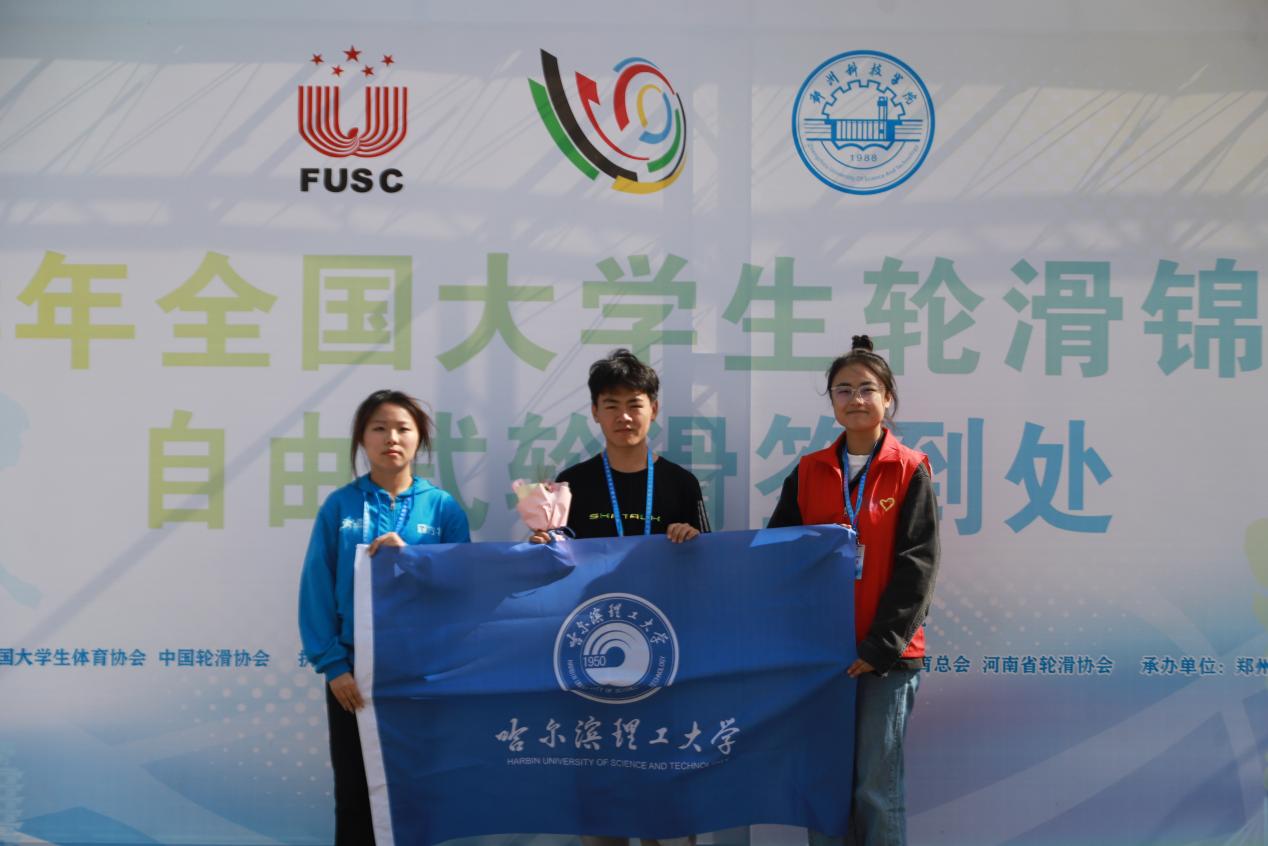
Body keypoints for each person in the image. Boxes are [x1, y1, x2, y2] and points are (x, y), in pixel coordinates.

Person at [768, 335, 939, 846]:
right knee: (827, 789)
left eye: (867, 389)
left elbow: (918, 566)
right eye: (843, 390)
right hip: (824, 659)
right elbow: (779, 555)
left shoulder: (909, 468)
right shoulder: (809, 470)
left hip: (885, 658)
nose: (855, 399)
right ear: (832, 401)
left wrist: (879, 647)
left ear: (888, 398)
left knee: (875, 790)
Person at [531, 349, 707, 846]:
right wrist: (540, 546)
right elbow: (553, 569)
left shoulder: (680, 483)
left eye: (635, 404)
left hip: (666, 660)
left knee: (665, 793)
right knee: (602, 792)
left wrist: (693, 540)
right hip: (592, 661)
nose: (624, 416)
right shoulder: (572, 483)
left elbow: (709, 573)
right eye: (611, 405)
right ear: (594, 411)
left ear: (654, 408)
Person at [299, 389, 471, 845]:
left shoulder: (443, 508)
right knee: (355, 794)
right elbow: (316, 588)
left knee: (420, 790)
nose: (391, 438)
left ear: (420, 439)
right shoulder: (339, 506)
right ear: (362, 438)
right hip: (354, 677)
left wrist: (412, 558)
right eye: (379, 428)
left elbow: (462, 587)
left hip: (422, 674)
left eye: (402, 428)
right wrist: (334, 666)